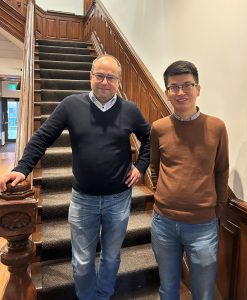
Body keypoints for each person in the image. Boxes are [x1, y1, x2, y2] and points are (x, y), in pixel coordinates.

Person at [0, 54, 150, 300]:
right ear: (90, 77)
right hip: (83, 200)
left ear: (118, 81)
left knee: (112, 257)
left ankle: (104, 296)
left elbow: (150, 140)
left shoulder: (130, 110)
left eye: (110, 77)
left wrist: (141, 166)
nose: (104, 81)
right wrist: (22, 168)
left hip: (118, 200)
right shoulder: (71, 105)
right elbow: (42, 137)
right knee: (81, 261)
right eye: (99, 75)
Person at [150, 60, 229, 300]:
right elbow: (155, 167)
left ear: (198, 89)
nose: (181, 92)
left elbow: (221, 170)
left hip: (203, 225)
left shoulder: (216, 127)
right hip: (163, 223)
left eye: (187, 85)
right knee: (167, 287)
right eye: (174, 87)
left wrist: (216, 209)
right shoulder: (158, 128)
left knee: (204, 293)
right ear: (167, 92)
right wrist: (163, 194)